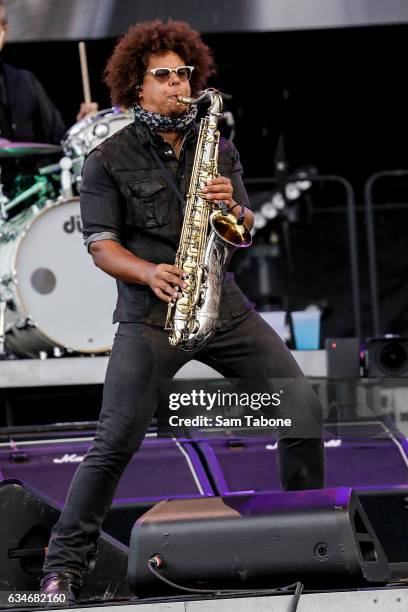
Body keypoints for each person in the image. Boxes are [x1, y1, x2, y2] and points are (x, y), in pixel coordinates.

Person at [41, 19, 325, 602]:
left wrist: (234, 210)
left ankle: (306, 540)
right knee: (114, 441)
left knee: (300, 409)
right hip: (151, 314)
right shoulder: (108, 158)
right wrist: (148, 271)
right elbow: (100, 245)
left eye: (183, 74)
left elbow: (241, 230)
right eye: (163, 76)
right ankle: (63, 566)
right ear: (135, 86)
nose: (177, 85)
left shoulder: (216, 143)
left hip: (223, 307)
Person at [0, 0, 97, 187]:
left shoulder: (25, 80)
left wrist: (82, 126)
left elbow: (58, 138)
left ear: (5, 30)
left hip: (29, 193)